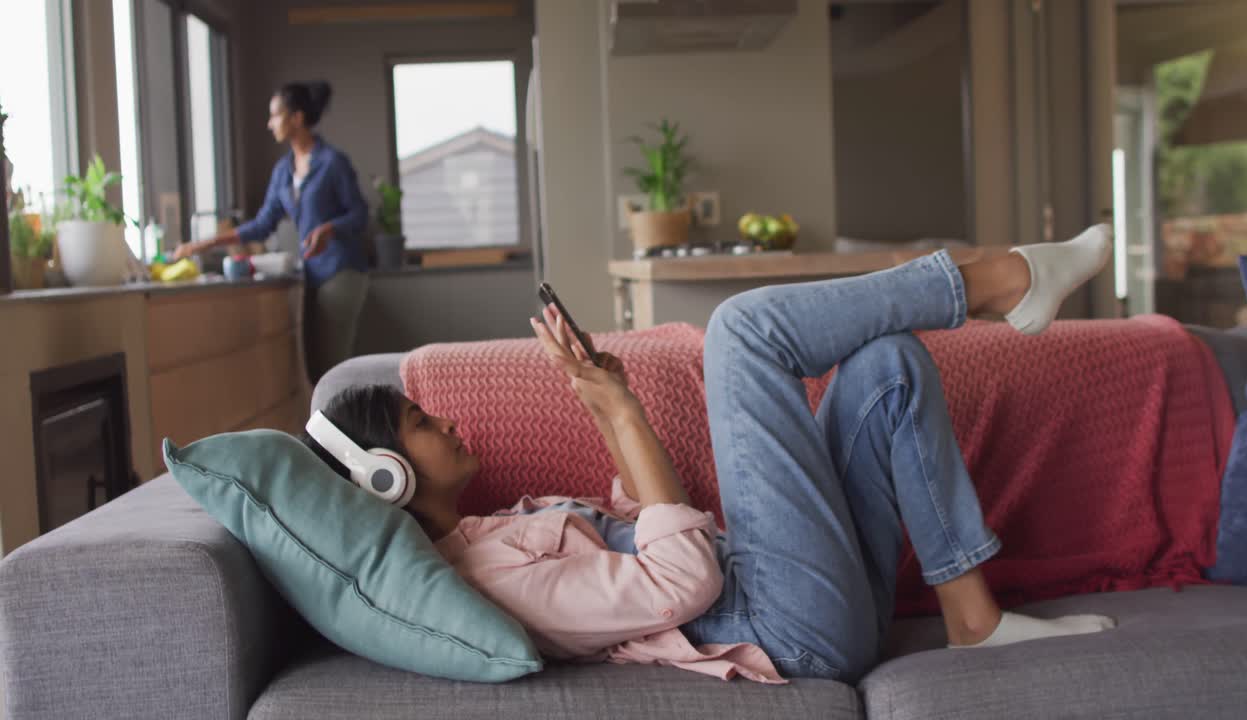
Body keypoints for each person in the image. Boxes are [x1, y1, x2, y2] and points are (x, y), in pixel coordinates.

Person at [302, 226, 1118, 685]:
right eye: (417, 423)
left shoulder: (492, 533)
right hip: (788, 629)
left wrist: (612, 408)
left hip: (813, 597)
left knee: (885, 367)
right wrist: (621, 410)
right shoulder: (486, 582)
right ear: (386, 477)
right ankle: (1002, 278)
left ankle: (971, 618)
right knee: (742, 332)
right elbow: (684, 581)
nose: (441, 422)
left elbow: (654, 531)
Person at [175, 81, 369, 382]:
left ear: (297, 118)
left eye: (275, 115)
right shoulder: (283, 172)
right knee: (312, 368)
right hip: (312, 275)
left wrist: (328, 229)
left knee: (331, 367)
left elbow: (359, 214)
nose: (269, 123)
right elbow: (262, 224)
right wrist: (206, 243)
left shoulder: (333, 163)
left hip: (342, 273)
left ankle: (334, 429)